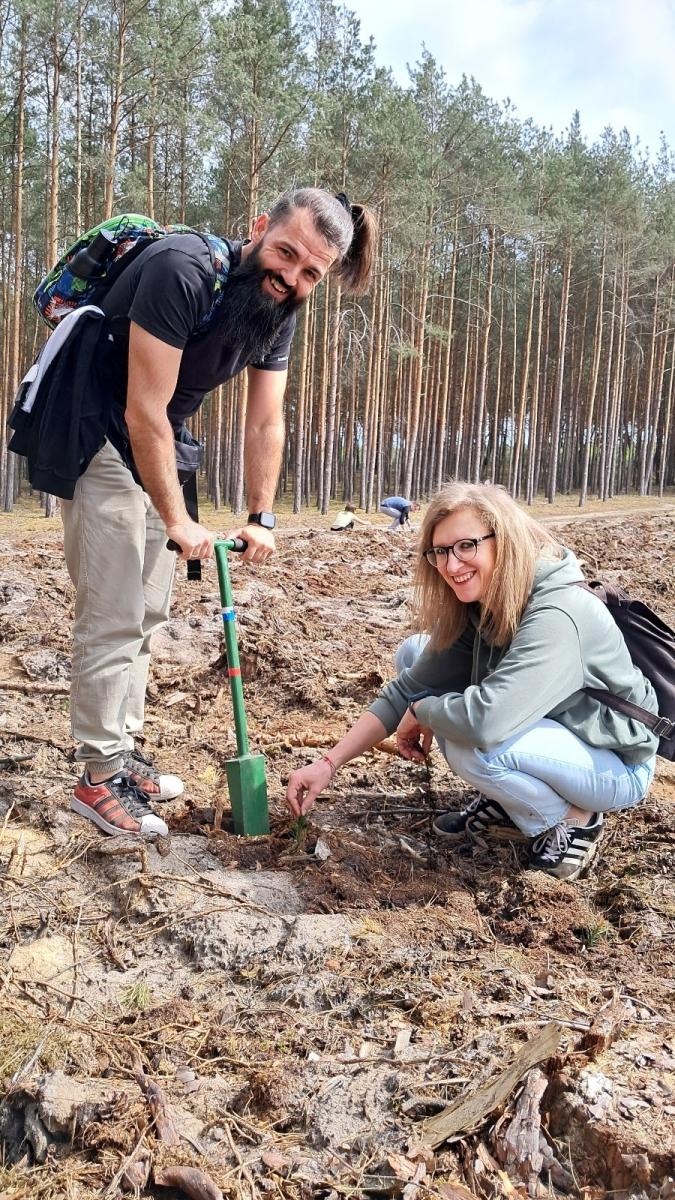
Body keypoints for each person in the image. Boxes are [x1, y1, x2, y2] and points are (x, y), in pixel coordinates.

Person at [62, 187, 378, 838]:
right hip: (97, 429)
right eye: (283, 252)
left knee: (146, 614)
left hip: (154, 445)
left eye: (308, 273)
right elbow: (142, 410)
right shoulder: (180, 271)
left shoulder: (279, 308)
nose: (288, 277)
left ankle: (122, 759)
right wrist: (177, 519)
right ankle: (96, 780)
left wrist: (261, 515)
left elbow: (266, 420)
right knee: (114, 615)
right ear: (259, 227)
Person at [286, 481, 658, 882]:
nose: (451, 565)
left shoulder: (558, 613)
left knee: (473, 742)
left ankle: (571, 820)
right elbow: (407, 688)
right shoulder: (486, 604)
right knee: (413, 654)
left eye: (466, 546)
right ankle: (512, 801)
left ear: (504, 540)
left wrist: (423, 711)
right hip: (557, 735)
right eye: (440, 552)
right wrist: (328, 763)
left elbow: (484, 722)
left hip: (615, 764)